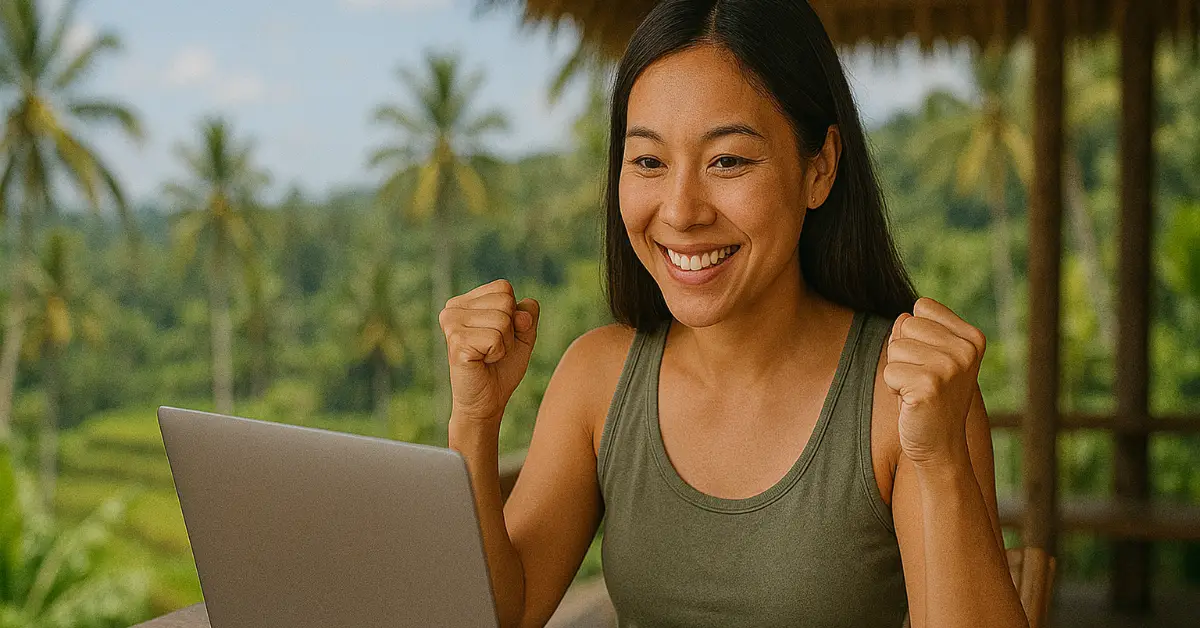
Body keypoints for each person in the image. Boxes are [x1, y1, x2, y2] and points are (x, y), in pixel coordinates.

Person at [438, 1, 1028, 626]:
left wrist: (939, 462)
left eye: (729, 160)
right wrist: (474, 422)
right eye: (648, 161)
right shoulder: (598, 378)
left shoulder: (908, 396)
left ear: (819, 168)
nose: (681, 209)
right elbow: (504, 613)